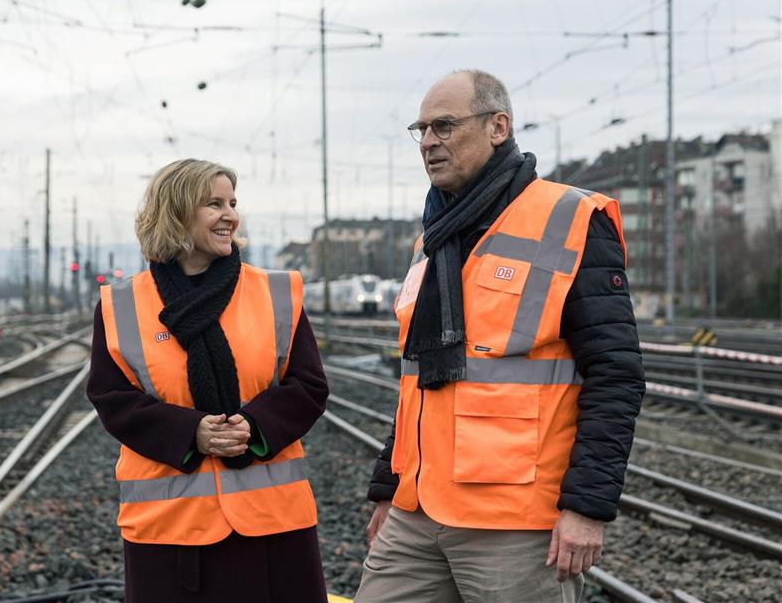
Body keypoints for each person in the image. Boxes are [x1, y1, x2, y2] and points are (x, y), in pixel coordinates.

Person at [355, 70, 646, 603]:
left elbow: (617, 374)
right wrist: (387, 488)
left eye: (443, 126)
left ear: (498, 126)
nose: (428, 142)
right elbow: (416, 379)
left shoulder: (572, 218)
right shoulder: (434, 237)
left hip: (513, 520)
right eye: (420, 129)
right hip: (417, 512)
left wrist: (587, 508)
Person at [87, 158, 329, 603]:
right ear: (176, 212)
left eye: (233, 203)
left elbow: (308, 384)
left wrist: (254, 427)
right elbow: (111, 397)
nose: (230, 215)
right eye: (213, 204)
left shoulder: (277, 291)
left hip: (273, 526)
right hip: (169, 531)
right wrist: (190, 433)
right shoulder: (120, 304)